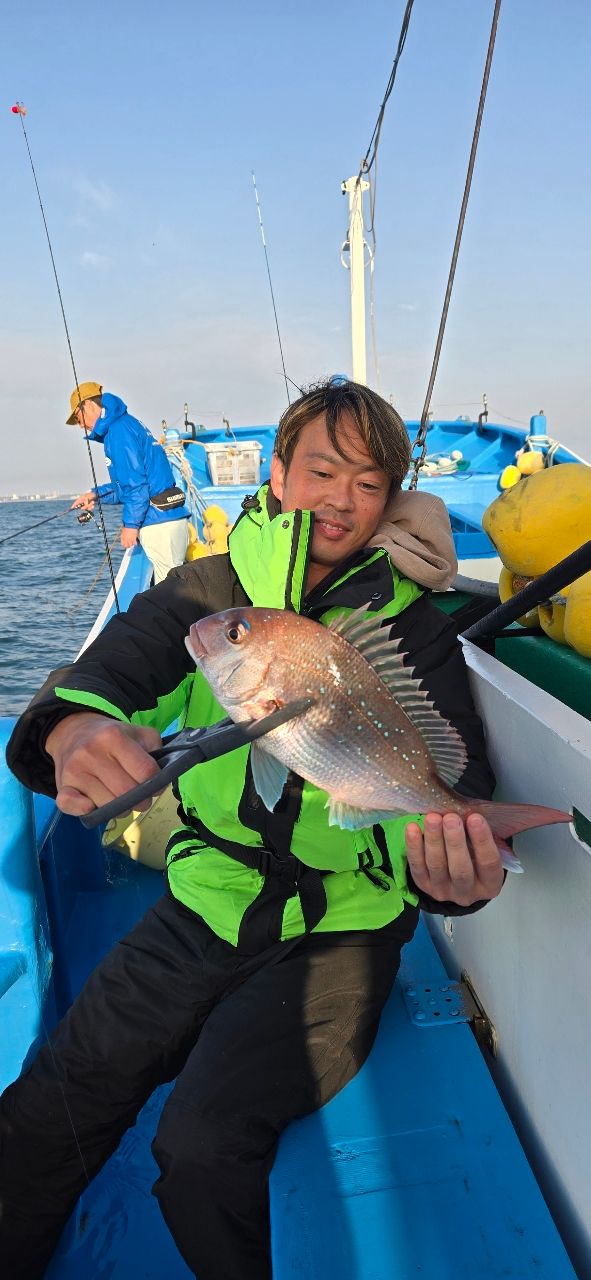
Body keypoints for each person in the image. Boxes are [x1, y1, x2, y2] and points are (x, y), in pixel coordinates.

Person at [0, 379, 503, 1280]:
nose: (341, 501)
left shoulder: (410, 625)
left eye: (369, 484)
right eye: (321, 470)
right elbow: (98, 675)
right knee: (47, 1108)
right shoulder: (205, 593)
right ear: (277, 472)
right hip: (205, 900)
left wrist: (456, 872)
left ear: (389, 499)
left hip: (340, 934)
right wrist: (74, 730)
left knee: (201, 1147)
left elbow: (456, 781)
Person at [68, 379, 190, 583]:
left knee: (171, 594)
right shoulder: (127, 424)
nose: (80, 425)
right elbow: (125, 486)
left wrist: (130, 526)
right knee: (174, 587)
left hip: (158, 523)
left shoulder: (118, 432)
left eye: (77, 417)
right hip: (169, 517)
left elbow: (136, 486)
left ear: (88, 405)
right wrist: (94, 495)